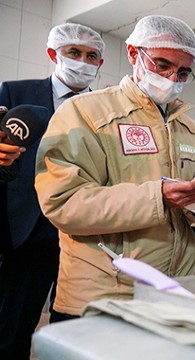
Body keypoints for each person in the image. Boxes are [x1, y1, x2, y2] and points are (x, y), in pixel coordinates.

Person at [34, 15, 195, 321]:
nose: (172, 79)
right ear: (134, 53)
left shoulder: (192, 131)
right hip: (103, 298)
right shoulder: (85, 113)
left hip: (169, 295)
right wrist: (158, 197)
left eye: (183, 72)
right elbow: (63, 202)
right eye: (162, 65)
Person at [0, 23, 105, 359]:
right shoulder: (16, 93)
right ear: (53, 54)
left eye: (92, 56)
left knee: (59, 324)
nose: (83, 61)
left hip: (79, 229)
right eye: (74, 53)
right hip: (22, 227)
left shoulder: (104, 111)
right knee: (8, 322)